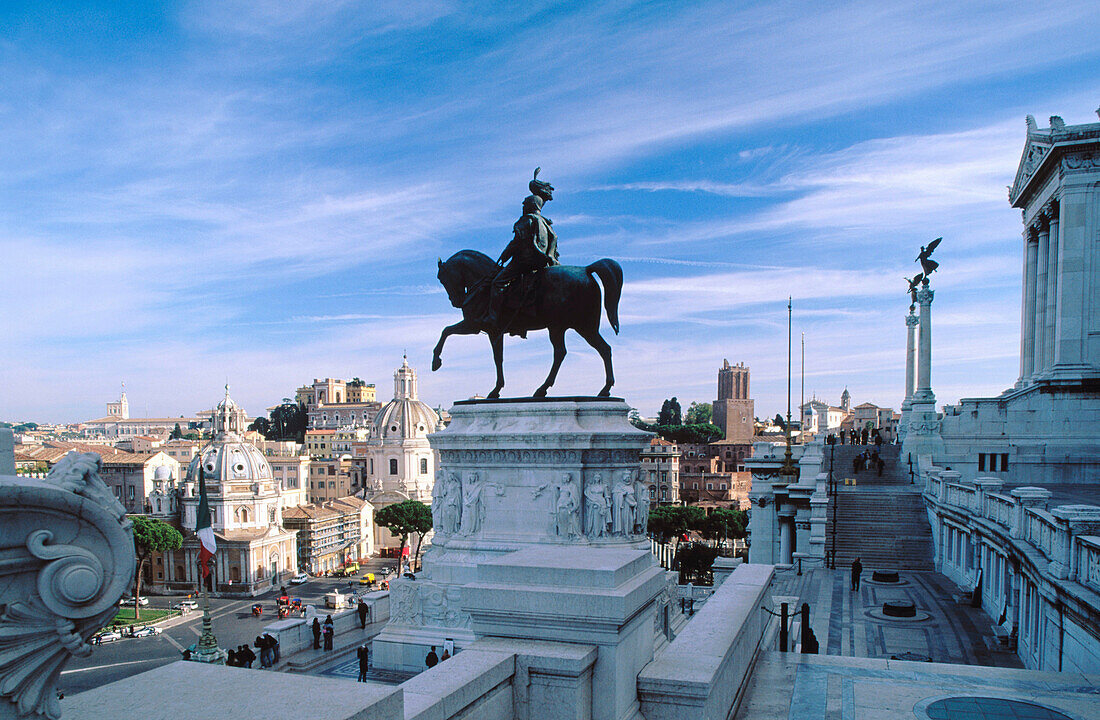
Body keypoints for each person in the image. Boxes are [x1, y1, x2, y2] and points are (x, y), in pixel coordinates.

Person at [486, 169, 559, 327]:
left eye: (525, 204)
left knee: (497, 282)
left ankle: (493, 317)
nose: (523, 206)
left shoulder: (526, 220)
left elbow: (517, 243)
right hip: (543, 262)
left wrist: (504, 256)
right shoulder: (545, 222)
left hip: (526, 262)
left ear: (531, 205)